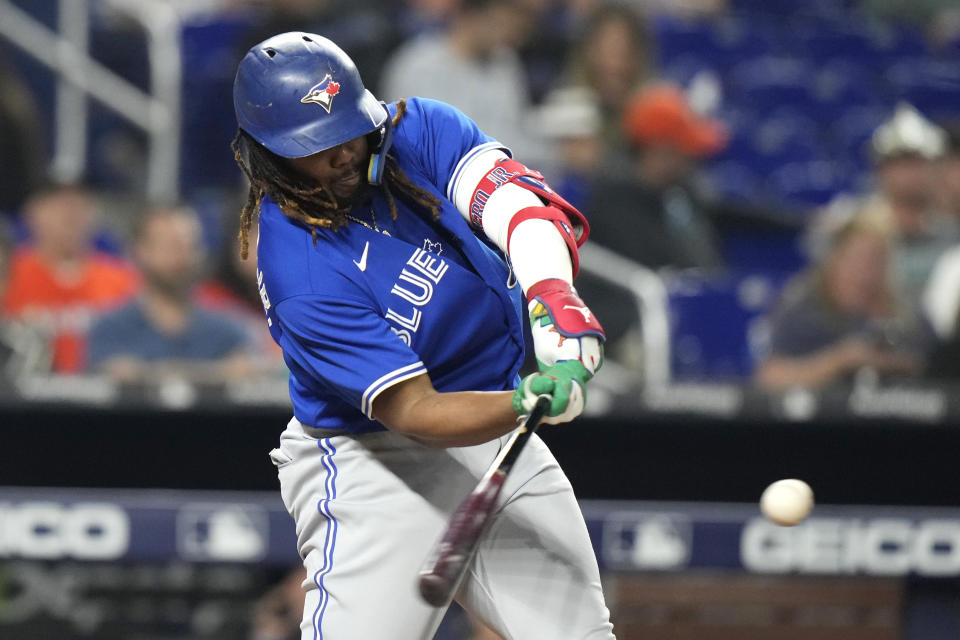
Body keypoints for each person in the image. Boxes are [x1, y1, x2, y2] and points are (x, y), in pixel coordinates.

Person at [231, 32, 612, 639]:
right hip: (374, 461)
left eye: (346, 131)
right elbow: (416, 411)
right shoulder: (298, 273)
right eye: (316, 146)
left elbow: (522, 210)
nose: (342, 153)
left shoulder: (421, 130)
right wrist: (521, 402)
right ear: (269, 156)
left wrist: (551, 294)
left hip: (490, 428)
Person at [755, 206, 934, 391]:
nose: (864, 273)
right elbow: (770, 378)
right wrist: (841, 361)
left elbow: (940, 372)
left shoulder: (909, 317)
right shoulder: (804, 312)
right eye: (856, 260)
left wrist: (895, 363)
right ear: (835, 259)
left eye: (875, 261)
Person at [86, 204, 255, 383]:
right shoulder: (110, 330)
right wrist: (218, 372)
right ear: (140, 252)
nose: (180, 257)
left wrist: (143, 373)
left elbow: (247, 372)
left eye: (189, 246)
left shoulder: (230, 330)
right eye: (168, 246)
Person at [1, 182, 139, 373]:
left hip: (101, 393)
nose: (71, 214)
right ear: (33, 212)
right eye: (59, 205)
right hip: (25, 390)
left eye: (79, 205)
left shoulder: (123, 279)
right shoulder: (9, 272)